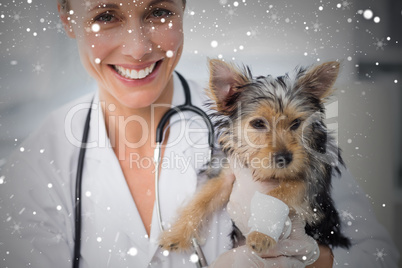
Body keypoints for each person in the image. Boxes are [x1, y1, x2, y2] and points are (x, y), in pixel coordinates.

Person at [0, 0, 399, 267]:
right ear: (69, 19)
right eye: (106, 15)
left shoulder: (296, 140)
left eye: (158, 11)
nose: (138, 48)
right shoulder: (37, 165)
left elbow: (379, 256)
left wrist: (312, 257)